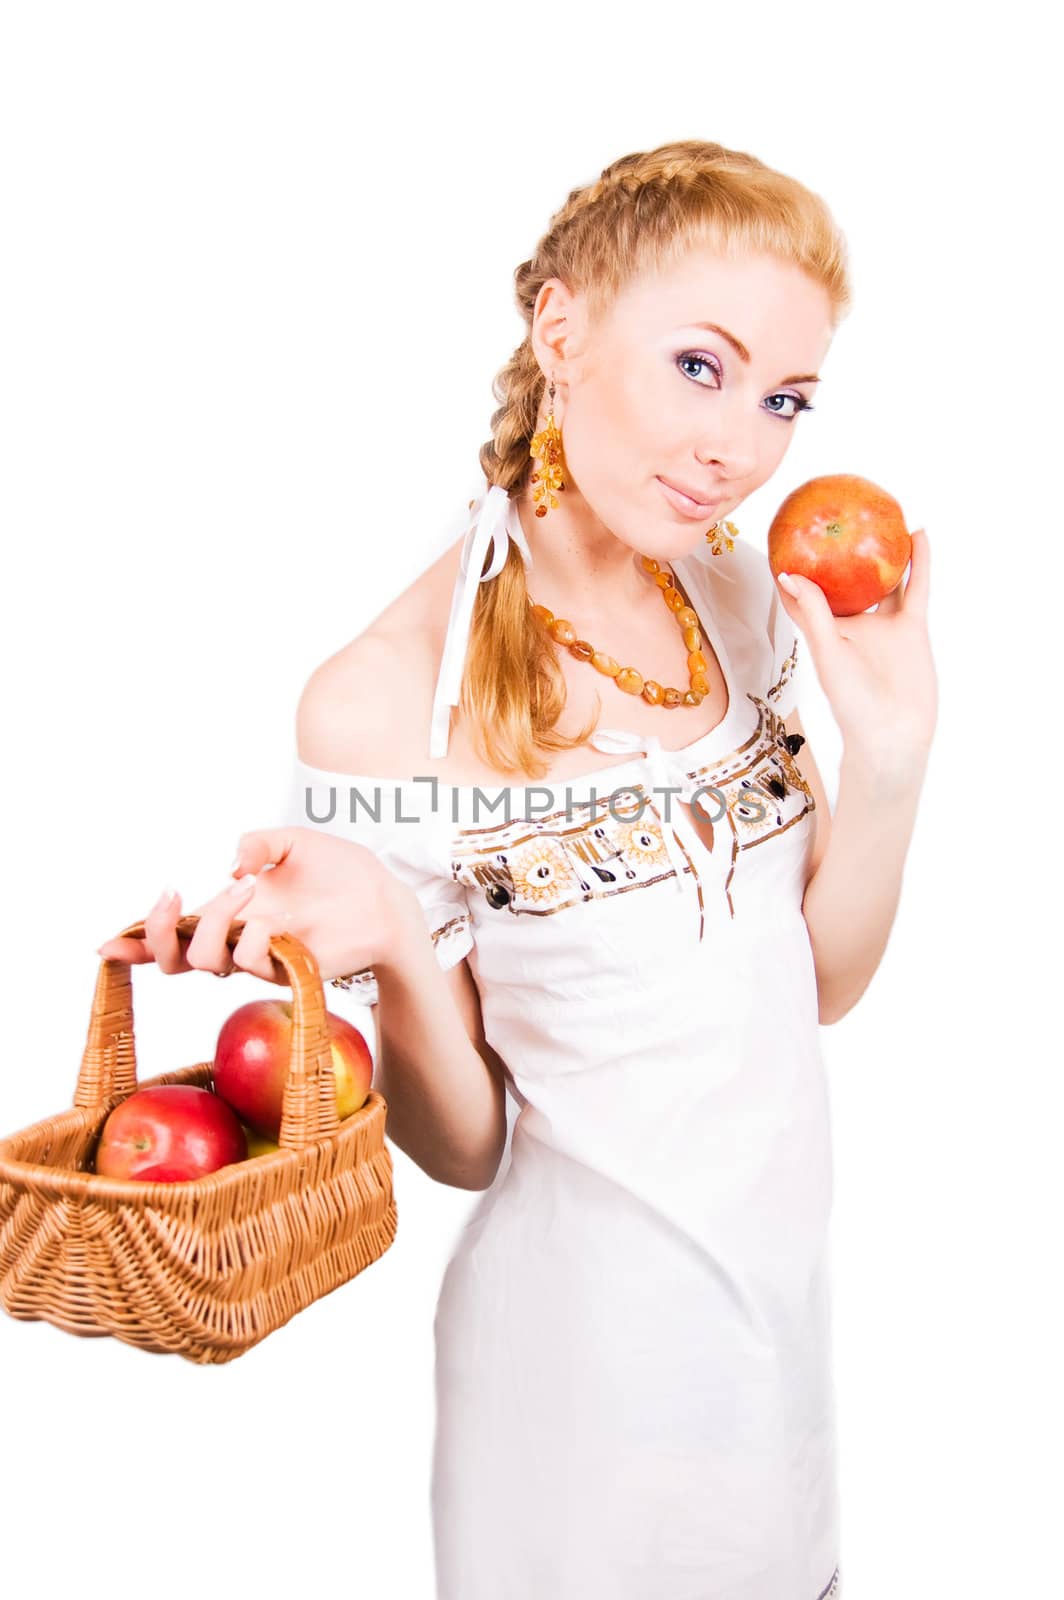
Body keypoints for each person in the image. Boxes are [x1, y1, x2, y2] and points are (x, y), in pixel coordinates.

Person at [99, 139, 937, 1597]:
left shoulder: (738, 589)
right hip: (579, 1400)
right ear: (562, 333)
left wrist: (898, 756)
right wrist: (392, 945)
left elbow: (816, 991)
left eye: (784, 397)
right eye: (701, 366)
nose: (739, 442)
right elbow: (465, 1146)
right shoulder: (382, 700)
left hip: (775, 1379)